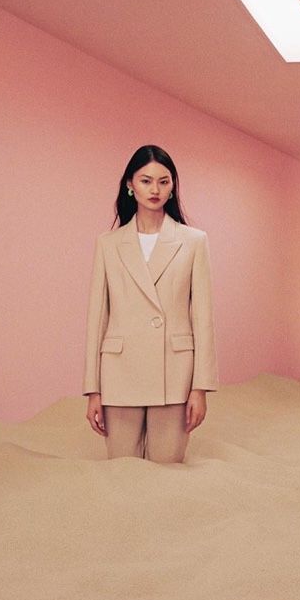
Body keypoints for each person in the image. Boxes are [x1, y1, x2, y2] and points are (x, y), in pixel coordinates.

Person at [83, 145, 218, 462]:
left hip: (173, 371)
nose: (154, 189)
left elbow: (203, 318)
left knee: (167, 473)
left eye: (163, 181)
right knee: (121, 472)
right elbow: (96, 319)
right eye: (146, 181)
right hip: (119, 370)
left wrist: (200, 388)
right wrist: (93, 390)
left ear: (173, 187)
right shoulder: (108, 243)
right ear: (130, 184)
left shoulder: (194, 241)